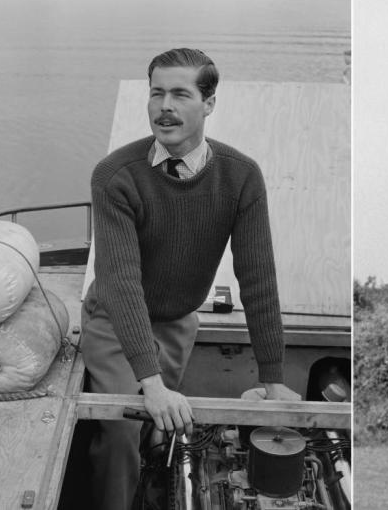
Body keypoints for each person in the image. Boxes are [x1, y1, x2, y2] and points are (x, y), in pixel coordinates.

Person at [82, 47, 300, 510]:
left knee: (158, 431)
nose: (165, 106)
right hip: (115, 322)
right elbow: (121, 282)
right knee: (121, 430)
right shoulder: (115, 177)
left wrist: (273, 378)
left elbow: (258, 279)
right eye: (156, 93)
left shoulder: (241, 177)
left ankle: (154, 483)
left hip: (179, 322)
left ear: (209, 102)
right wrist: (151, 381)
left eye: (180, 94)